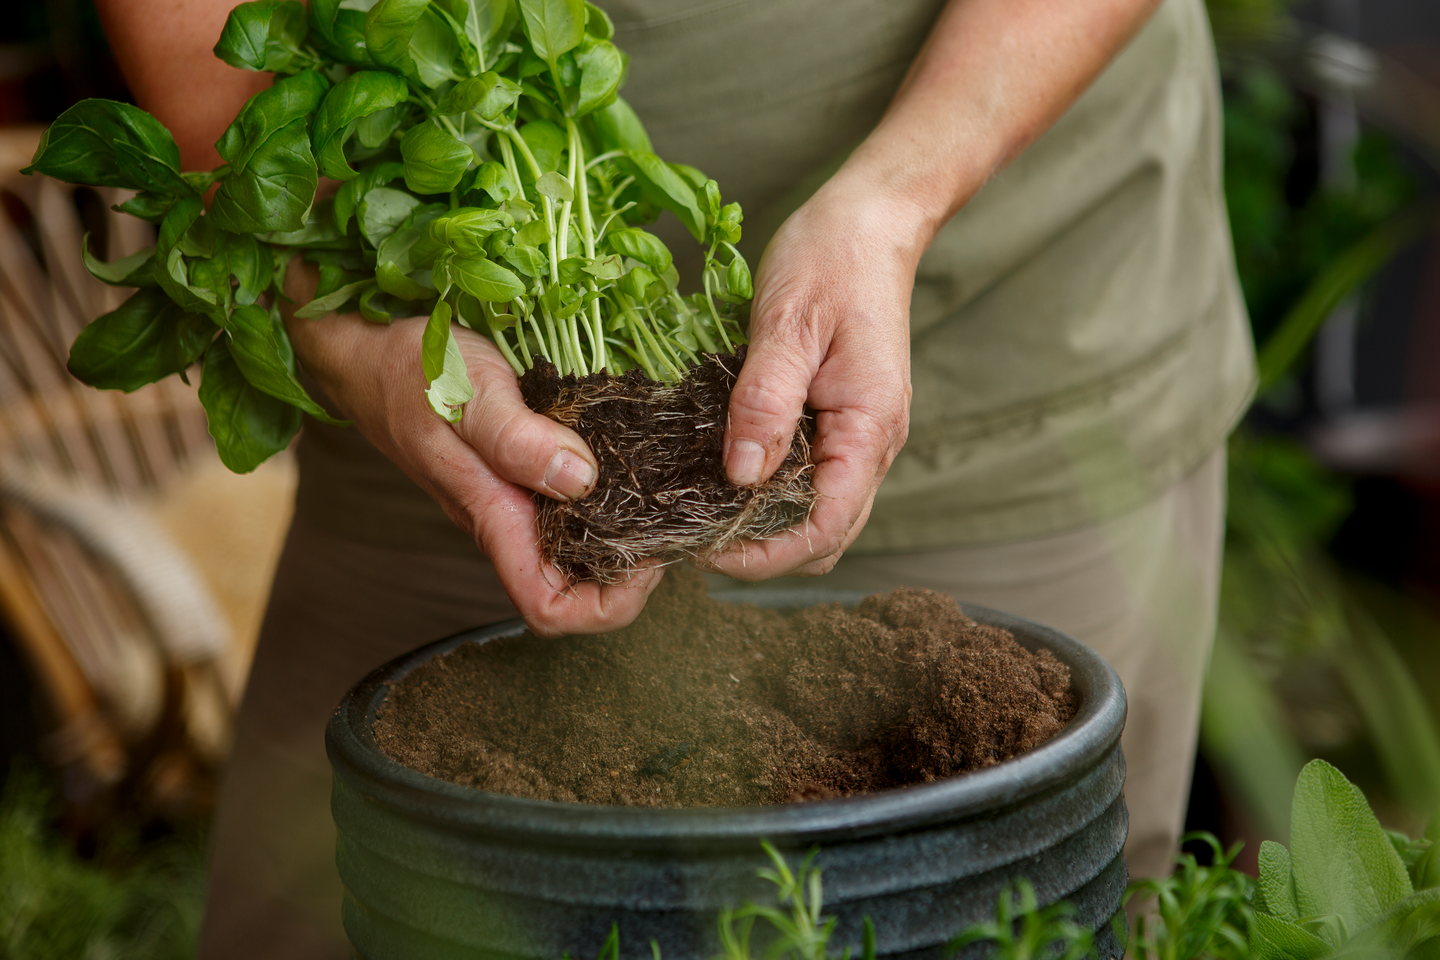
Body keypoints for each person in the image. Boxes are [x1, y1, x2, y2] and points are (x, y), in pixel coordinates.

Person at [94, 0, 1255, 956]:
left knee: (993, 915)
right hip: (455, 421)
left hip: (1005, 334)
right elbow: (215, 76)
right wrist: (341, 327)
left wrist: (897, 198)